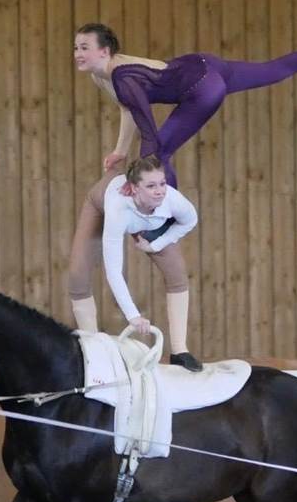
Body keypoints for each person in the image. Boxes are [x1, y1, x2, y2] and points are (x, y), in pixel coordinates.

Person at [74, 22, 297, 187]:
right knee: (273, 69)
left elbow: (148, 130)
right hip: (205, 64)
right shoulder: (102, 76)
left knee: (157, 153)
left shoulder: (122, 77)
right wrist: (119, 151)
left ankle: (167, 216)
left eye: (84, 47)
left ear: (105, 51)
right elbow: (128, 109)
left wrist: (146, 182)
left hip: (201, 87)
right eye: (76, 47)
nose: (77, 53)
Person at [68, 154, 202, 372]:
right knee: (77, 276)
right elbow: (113, 271)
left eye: (162, 183)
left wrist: (157, 244)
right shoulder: (117, 210)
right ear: (133, 188)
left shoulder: (172, 200)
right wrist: (133, 315)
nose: (159, 190)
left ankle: (180, 351)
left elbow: (190, 220)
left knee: (177, 273)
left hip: (146, 220)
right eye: (151, 186)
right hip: (101, 204)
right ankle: (93, 351)